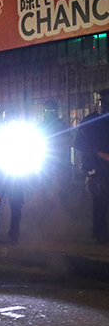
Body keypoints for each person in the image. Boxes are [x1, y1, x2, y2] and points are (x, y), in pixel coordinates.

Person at [75, 88, 109, 244]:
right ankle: (100, 232)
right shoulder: (90, 121)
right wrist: (98, 153)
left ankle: (99, 231)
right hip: (96, 166)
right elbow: (79, 144)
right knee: (100, 199)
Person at [38, 99, 72, 204]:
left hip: (60, 158)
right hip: (45, 159)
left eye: (51, 110)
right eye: (47, 110)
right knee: (44, 183)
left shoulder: (62, 125)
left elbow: (69, 139)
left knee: (62, 183)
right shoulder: (41, 127)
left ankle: (63, 201)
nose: (49, 113)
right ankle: (45, 201)